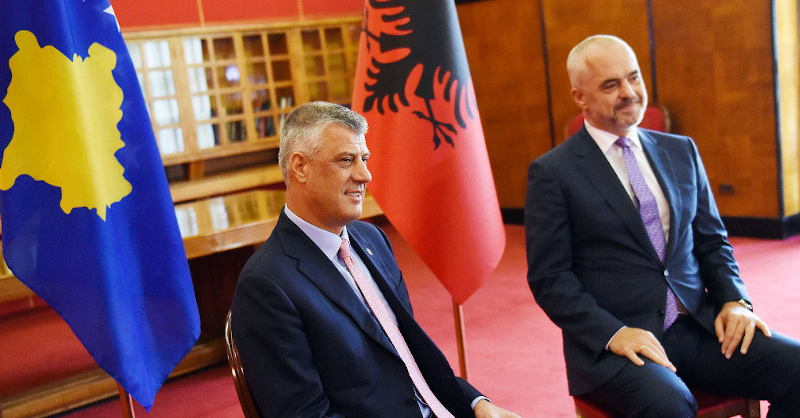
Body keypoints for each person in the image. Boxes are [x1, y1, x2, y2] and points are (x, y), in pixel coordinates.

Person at [524, 35, 800, 417]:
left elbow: (713, 242)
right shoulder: (553, 173)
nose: (629, 92)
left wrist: (735, 300)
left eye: (634, 78)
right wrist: (613, 333)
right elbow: (550, 278)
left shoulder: (680, 151)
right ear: (579, 97)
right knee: (669, 404)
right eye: (611, 84)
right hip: (619, 343)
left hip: (700, 328)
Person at [231, 101, 520, 418]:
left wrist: (477, 403)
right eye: (346, 160)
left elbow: (408, 356)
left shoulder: (372, 240)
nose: (365, 174)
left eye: (364, 159)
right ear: (300, 167)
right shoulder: (266, 285)